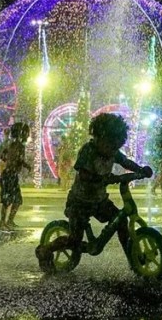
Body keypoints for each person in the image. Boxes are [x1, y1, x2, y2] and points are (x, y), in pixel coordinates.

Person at [35, 113, 151, 272]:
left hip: (99, 201)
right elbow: (84, 175)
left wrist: (140, 169)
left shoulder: (112, 151)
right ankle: (45, 250)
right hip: (79, 202)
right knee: (75, 239)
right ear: (99, 137)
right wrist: (106, 178)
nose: (113, 151)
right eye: (111, 145)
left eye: (116, 147)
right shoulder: (88, 151)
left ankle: (133, 258)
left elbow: (125, 162)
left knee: (121, 221)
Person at [0, 122, 32, 231]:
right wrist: (26, 166)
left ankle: (8, 221)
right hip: (9, 175)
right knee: (8, 200)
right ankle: (3, 222)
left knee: (16, 200)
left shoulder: (10, 144)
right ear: (21, 134)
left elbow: (2, 156)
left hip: (9, 174)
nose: (27, 136)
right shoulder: (19, 146)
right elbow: (20, 159)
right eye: (27, 134)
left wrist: (9, 161)